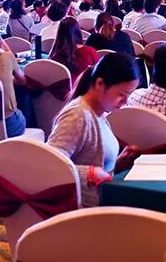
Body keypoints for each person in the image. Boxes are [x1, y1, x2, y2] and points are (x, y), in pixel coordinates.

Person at [47, 52, 139, 205]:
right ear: (100, 84)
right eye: (121, 94)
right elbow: (50, 165)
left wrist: (116, 163)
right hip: (84, 209)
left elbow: (91, 160)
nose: (125, 101)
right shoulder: (78, 115)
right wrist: (89, 173)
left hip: (99, 200)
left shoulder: (99, 112)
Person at [50, 17, 100, 83]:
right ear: (78, 32)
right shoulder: (90, 52)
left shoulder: (54, 57)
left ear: (59, 34)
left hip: (62, 89)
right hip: (83, 88)